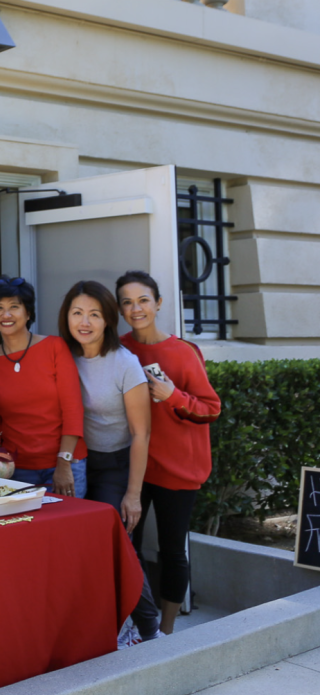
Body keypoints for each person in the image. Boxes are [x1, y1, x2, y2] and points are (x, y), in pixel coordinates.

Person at [118, 270, 221, 636]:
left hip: (178, 469)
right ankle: (138, 623)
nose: (136, 308)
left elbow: (211, 407)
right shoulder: (119, 348)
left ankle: (167, 630)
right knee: (127, 547)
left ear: (158, 304)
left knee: (172, 551)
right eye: (127, 302)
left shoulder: (183, 352)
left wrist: (172, 396)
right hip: (134, 467)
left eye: (143, 300)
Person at [59, 280, 162, 646]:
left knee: (115, 539)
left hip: (117, 464)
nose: (84, 322)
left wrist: (133, 494)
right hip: (79, 460)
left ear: (108, 320)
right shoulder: (61, 355)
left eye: (94, 314)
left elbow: (141, 434)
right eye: (77, 313)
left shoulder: (124, 363)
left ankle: (149, 628)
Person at [0, 276, 86, 498]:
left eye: (14, 307)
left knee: (68, 531)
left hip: (65, 463)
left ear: (28, 313)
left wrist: (63, 465)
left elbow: (73, 410)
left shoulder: (54, 347)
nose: (6, 315)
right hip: (17, 470)